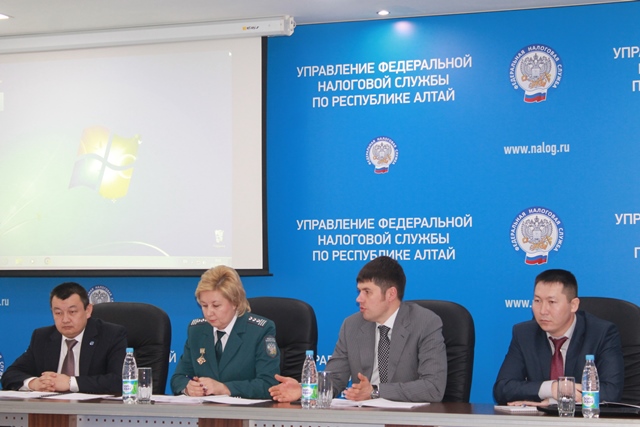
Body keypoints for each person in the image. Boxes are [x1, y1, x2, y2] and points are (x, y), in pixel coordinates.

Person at [269, 256, 447, 403]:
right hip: (363, 417)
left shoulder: (425, 323)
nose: (359, 299)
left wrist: (375, 391)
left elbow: (433, 387)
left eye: (367, 292)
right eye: (359, 291)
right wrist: (305, 390)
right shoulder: (352, 325)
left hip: (408, 420)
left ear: (391, 294)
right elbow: (335, 379)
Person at [493, 269, 624, 405]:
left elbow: (611, 392)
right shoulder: (524, 334)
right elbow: (503, 389)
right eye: (537, 301)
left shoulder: (602, 333)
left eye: (552, 302)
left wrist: (552, 400)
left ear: (573, 305)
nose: (543, 310)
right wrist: (552, 388)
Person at [170, 265, 280, 398]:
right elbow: (178, 378)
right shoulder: (196, 330)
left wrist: (225, 388)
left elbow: (269, 384)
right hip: (206, 409)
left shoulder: (259, 331)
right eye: (204, 305)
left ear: (235, 303)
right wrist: (188, 388)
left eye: (216, 305)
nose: (209, 312)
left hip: (244, 410)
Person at [1, 282, 127, 394]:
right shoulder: (42, 337)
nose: (65, 319)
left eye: (72, 312)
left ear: (88, 310)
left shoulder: (111, 335)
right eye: (58, 313)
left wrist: (70, 383)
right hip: (50, 410)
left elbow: (120, 380)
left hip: (93, 410)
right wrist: (34, 383)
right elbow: (10, 374)